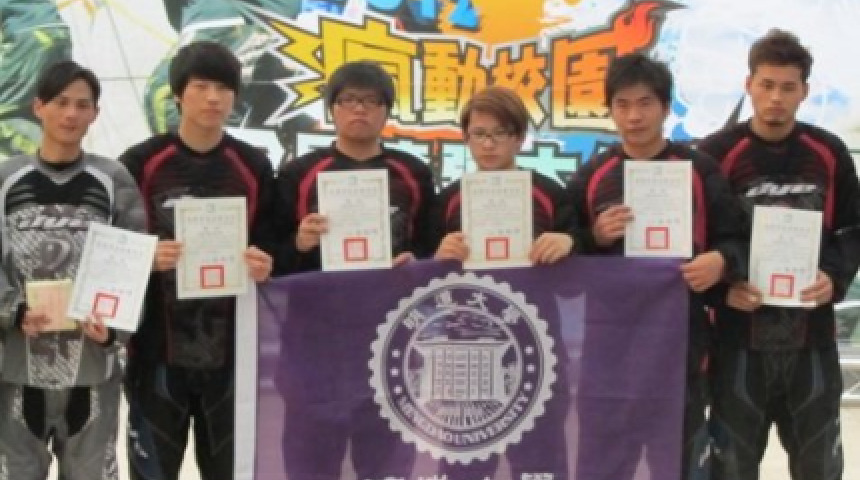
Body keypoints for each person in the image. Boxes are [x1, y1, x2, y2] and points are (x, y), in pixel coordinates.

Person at [566, 52, 748, 480]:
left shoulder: (699, 170)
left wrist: (721, 262)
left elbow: (737, 238)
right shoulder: (593, 175)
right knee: (607, 459)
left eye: (645, 103)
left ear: (666, 108)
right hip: (610, 344)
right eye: (623, 104)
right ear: (610, 110)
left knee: (682, 458)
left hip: (681, 340)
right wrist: (594, 237)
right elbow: (563, 248)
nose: (634, 116)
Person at [697, 29, 860, 480]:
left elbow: (852, 230)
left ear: (804, 91)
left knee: (820, 467)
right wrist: (721, 292)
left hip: (812, 341)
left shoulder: (829, 152)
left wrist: (834, 277)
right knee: (730, 469)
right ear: (748, 84)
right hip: (737, 342)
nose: (775, 98)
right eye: (766, 85)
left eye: (788, 87)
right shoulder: (715, 153)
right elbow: (695, 243)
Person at [120, 41, 279, 480]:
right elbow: (112, 248)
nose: (213, 98)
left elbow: (275, 243)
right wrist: (145, 256)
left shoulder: (253, 165)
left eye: (224, 88)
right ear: (178, 94)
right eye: (201, 86)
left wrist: (266, 262)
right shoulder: (140, 163)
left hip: (231, 358)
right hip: (157, 354)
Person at [276, 60, 435, 480]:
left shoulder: (413, 173)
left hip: (391, 343)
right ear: (332, 109)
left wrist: (417, 262)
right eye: (348, 100)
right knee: (310, 468)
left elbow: (434, 247)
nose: (359, 109)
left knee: (387, 467)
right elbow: (269, 257)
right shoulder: (298, 175)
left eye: (371, 100)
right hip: (313, 348)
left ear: (386, 111)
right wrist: (299, 243)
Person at [0, 60, 145, 479]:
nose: (71, 114)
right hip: (17, 369)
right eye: (60, 102)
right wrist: (12, 311)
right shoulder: (7, 178)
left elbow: (133, 262)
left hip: (92, 370)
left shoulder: (113, 178)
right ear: (38, 107)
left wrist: (114, 330)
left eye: (82, 105)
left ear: (95, 113)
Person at [434, 85, 574, 480]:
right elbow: (419, 278)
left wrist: (570, 243)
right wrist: (437, 256)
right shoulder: (448, 199)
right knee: (465, 465)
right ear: (466, 138)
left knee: (540, 464)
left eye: (500, 133)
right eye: (479, 134)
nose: (489, 144)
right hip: (463, 349)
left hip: (536, 347)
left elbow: (576, 280)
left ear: (520, 137)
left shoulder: (549, 194)